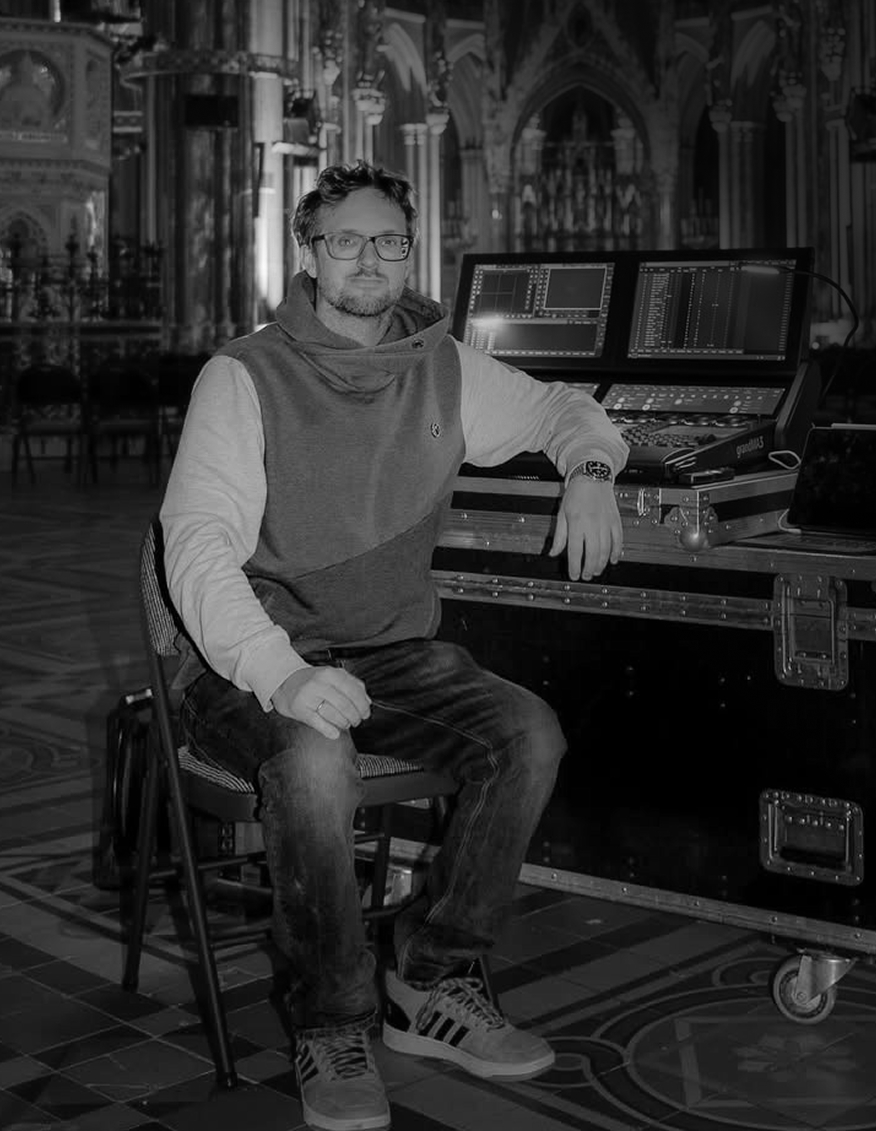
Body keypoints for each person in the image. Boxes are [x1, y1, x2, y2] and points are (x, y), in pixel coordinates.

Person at [160, 160, 629, 1131]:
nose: (367, 259)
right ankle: (331, 1018)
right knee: (318, 767)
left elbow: (561, 408)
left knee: (527, 734)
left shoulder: (442, 362)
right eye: (344, 239)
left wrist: (589, 466)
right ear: (309, 252)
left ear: (412, 251)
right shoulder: (243, 375)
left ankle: (431, 974)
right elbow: (198, 546)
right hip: (245, 660)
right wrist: (285, 677)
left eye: (387, 240)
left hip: (388, 653)